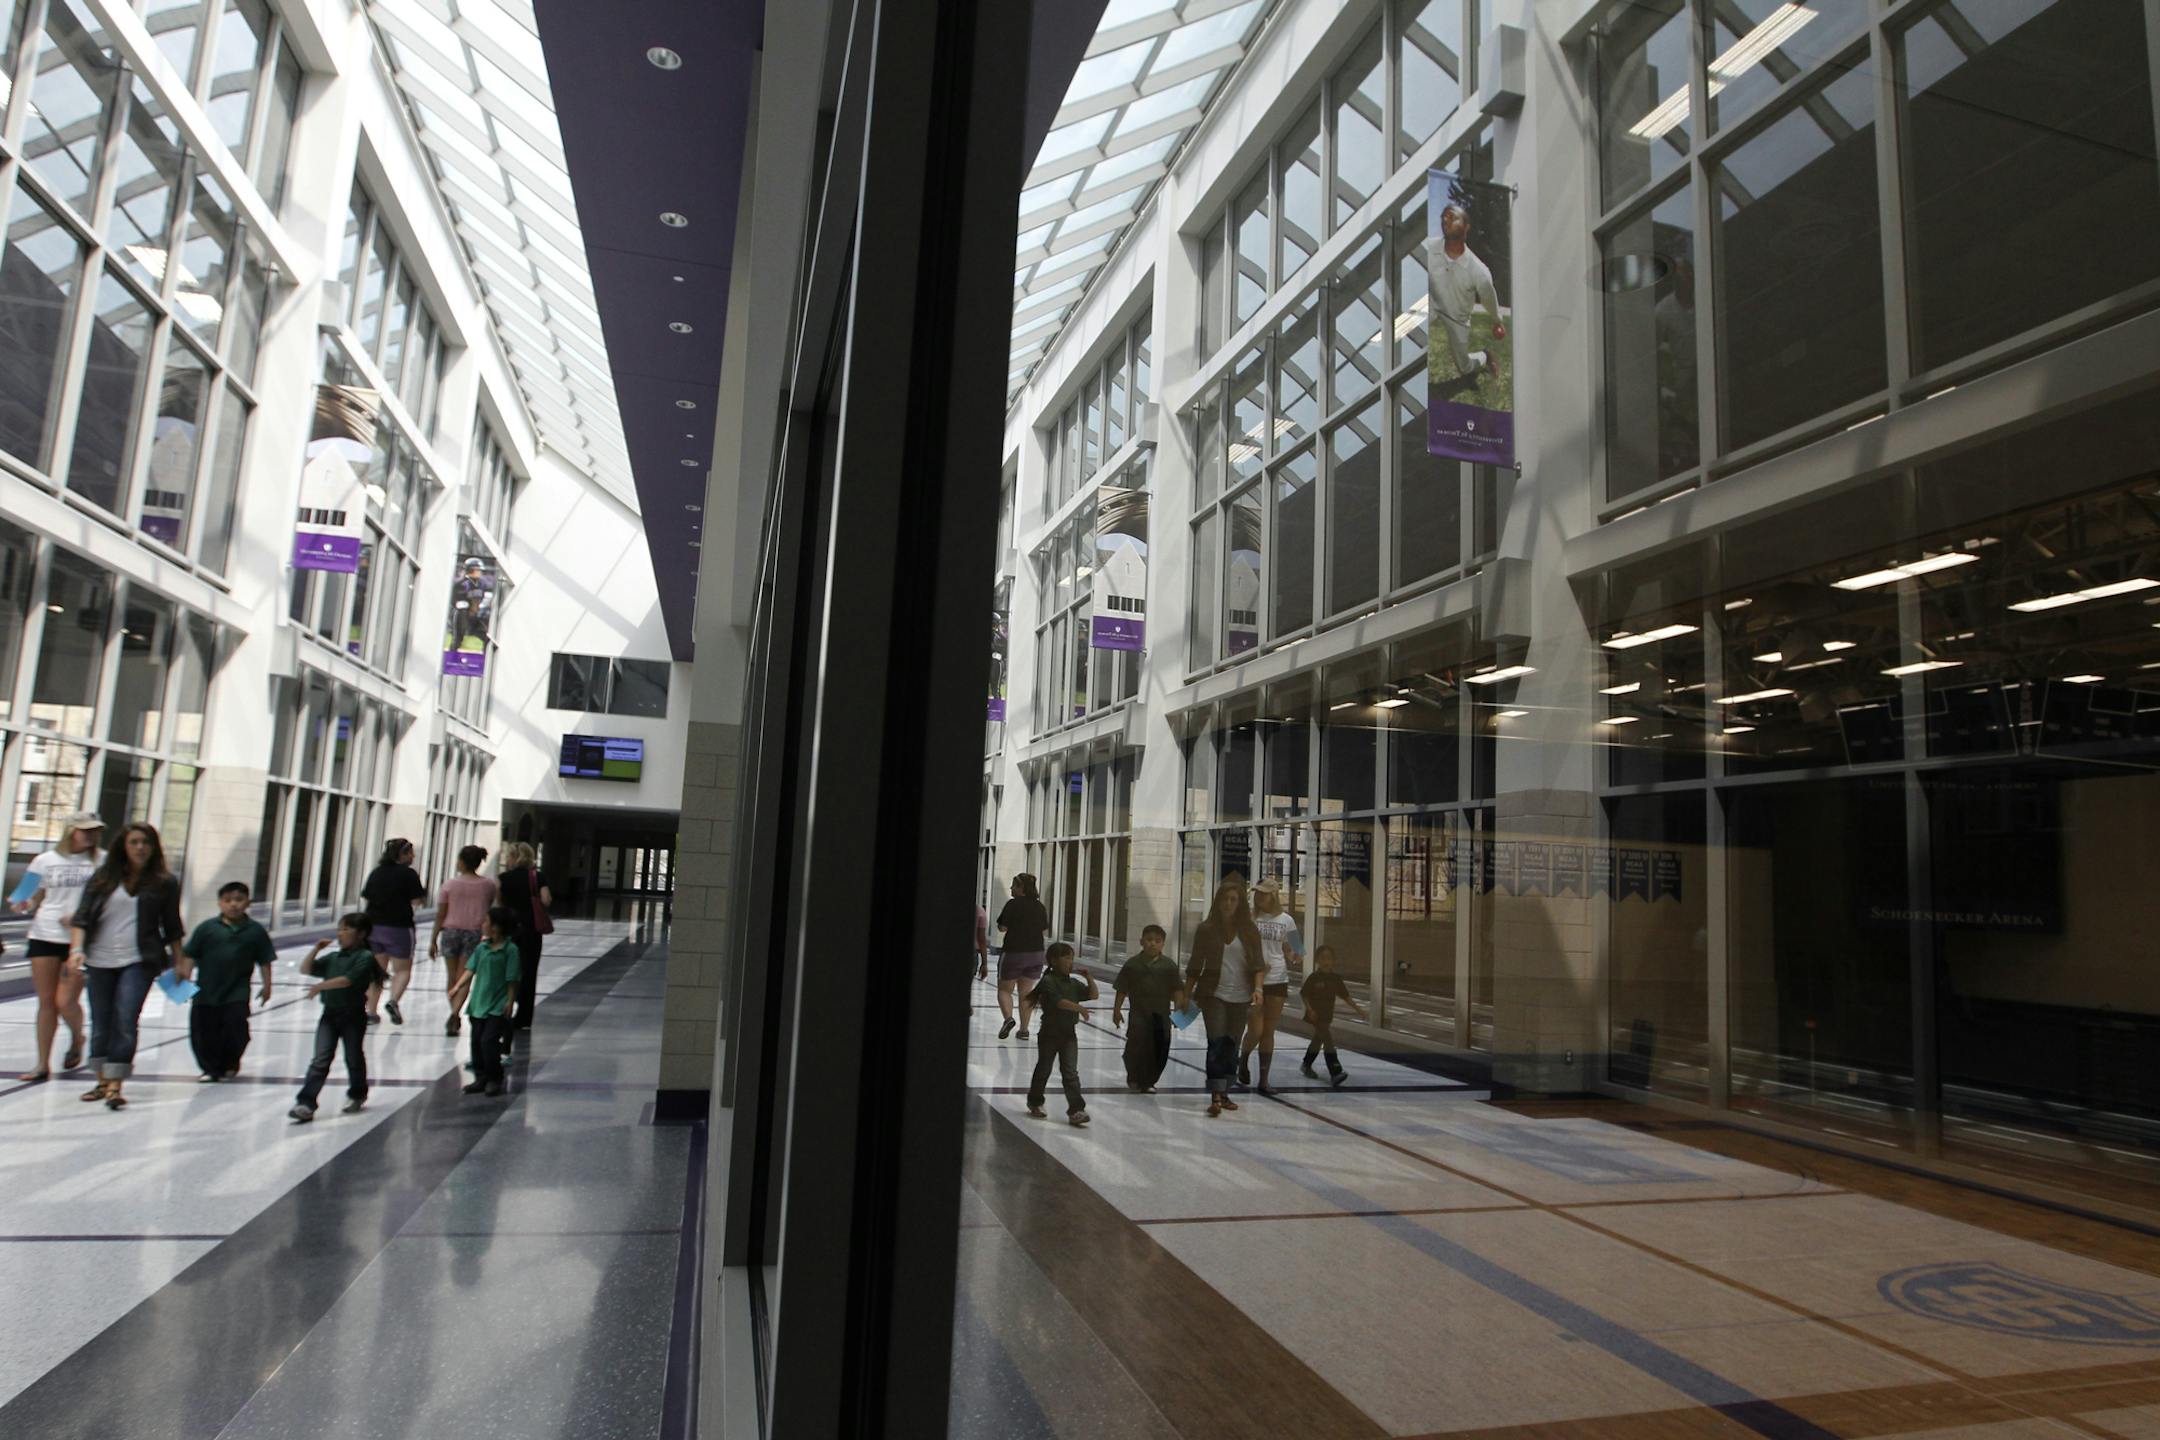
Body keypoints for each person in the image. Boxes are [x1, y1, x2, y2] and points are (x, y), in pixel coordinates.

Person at [66, 822, 188, 1111]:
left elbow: (172, 925)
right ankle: (100, 1080)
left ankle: (115, 1084)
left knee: (126, 1018)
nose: (140, 848)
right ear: (124, 845)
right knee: (101, 1021)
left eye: (145, 843)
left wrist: (181, 961)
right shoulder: (103, 878)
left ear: (153, 848)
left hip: (140, 958)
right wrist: (76, 949)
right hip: (99, 958)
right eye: (134, 842)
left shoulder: (164, 882)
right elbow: (82, 918)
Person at [11, 811, 101, 1082]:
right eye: (84, 830)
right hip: (44, 932)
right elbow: (27, 894)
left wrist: (81, 917)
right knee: (46, 1002)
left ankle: (77, 1038)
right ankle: (42, 1063)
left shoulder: (102, 861)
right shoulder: (45, 860)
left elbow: (106, 900)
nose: (90, 835)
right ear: (71, 831)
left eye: (94, 830)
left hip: (79, 937)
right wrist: (22, 903)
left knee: (65, 1001)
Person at [1184, 879, 1264, 1119]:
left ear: (1240, 904)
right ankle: (1216, 1095)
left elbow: (1258, 964)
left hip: (1241, 996)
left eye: (1233, 900)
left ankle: (1226, 1091)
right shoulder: (1207, 929)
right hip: (1214, 994)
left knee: (1232, 1044)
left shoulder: (1250, 931)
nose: (1229, 904)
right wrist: (1186, 993)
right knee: (1216, 1042)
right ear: (1217, 902)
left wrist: (1258, 988)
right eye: (1225, 899)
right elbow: (1195, 964)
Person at [290, 914, 382, 1122]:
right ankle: (306, 1102)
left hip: (352, 1015)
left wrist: (320, 986)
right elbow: (306, 969)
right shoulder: (334, 958)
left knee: (353, 1056)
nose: (340, 934)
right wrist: (316, 950)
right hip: (329, 1014)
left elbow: (347, 981)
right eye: (340, 929)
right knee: (320, 1059)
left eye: (346, 929)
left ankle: (357, 1093)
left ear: (361, 934)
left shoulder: (365, 957)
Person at [182, 882, 276, 1082]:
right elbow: (190, 955)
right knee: (203, 1031)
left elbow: (265, 960)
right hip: (205, 992)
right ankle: (210, 1068)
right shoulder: (207, 929)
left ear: (248, 902)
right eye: (228, 900)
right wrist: (184, 982)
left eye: (239, 900)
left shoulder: (255, 931)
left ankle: (230, 1063)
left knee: (236, 1028)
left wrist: (267, 986)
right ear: (219, 903)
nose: (233, 905)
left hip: (237, 992)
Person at [1429, 200, 1505, 393]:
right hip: (1431, 305)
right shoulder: (1429, 248)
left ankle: (1485, 356)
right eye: (1444, 217)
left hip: (1457, 318)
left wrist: (1497, 320)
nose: (1446, 220)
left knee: (1464, 367)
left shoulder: (1479, 271)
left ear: (1466, 227)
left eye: (1452, 217)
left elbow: (1488, 298)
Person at [1239, 877, 1305, 1094]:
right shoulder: (1249, 918)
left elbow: (1296, 950)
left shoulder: (1287, 920)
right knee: (1255, 1030)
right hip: (1254, 979)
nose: (1258, 897)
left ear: (1273, 895)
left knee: (1269, 1031)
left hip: (1278, 979)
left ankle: (1264, 1080)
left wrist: (1295, 954)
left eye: (1263, 893)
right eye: (1256, 893)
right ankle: (1244, 1057)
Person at [449, 905, 521, 1098]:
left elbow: (512, 978)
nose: (483, 924)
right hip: (479, 1002)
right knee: (476, 1041)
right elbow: (470, 970)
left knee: (488, 1041)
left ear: (496, 927)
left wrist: (510, 1001)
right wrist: (457, 987)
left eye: (486, 921)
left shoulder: (510, 950)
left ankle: (494, 1077)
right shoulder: (482, 948)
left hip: (498, 1004)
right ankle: (481, 1077)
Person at [1024, 942, 1095, 1127]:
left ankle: (1076, 1110)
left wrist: (1090, 979)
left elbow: (1093, 995)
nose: (1070, 961)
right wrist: (1079, 1007)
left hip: (1069, 1035)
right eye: (1066, 957)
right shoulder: (1048, 981)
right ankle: (1035, 1101)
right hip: (1050, 1033)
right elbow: (1058, 1002)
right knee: (1044, 1069)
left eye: (1072, 957)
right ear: (1054, 961)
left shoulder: (1073, 983)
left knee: (1070, 1072)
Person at [431, 845, 497, 1037]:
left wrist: (434, 938)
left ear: (462, 861)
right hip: (475, 934)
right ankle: (455, 1012)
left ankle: (453, 1012)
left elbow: (440, 914)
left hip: (451, 932)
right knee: (465, 976)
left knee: (451, 977)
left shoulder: (449, 885)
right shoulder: (488, 885)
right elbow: (490, 907)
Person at [359, 838, 426, 1025]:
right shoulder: (409, 874)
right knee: (402, 970)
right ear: (402, 855)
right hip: (399, 927)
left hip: (373, 927)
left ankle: (371, 1012)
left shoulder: (377, 873)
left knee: (377, 972)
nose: (413, 856)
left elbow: (367, 895)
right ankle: (393, 1000)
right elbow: (416, 900)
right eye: (410, 853)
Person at [1111, 924, 1183, 1093]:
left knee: (1160, 1047)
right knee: (1135, 1046)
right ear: (1141, 942)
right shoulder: (1132, 964)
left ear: (1163, 944)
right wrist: (1116, 1010)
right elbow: (1122, 989)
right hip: (1138, 1014)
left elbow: (1178, 990)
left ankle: (1149, 1080)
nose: (1153, 944)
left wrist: (1179, 1013)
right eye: (1149, 940)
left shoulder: (1169, 966)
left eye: (1157, 941)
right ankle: (1134, 1075)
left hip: (1161, 1015)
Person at [496, 842, 552, 1041]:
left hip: (509, 929)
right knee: (528, 972)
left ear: (514, 857)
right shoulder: (538, 877)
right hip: (531, 930)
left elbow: (499, 902)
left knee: (506, 971)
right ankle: (524, 1017)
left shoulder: (504, 878)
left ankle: (502, 1011)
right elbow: (546, 900)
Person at [1299, 944, 1367, 1087]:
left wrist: (1359, 1010)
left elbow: (1346, 996)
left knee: (1317, 1041)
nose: (1326, 961)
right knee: (1328, 1042)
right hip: (1316, 1016)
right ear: (1317, 960)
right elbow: (1304, 994)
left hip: (1327, 1015)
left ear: (1333, 960)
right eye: (1323, 958)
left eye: (1329, 958)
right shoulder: (1314, 977)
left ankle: (1306, 1064)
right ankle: (1335, 1071)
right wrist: (1310, 1009)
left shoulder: (1336, 979)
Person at [993, 873, 1049, 1040]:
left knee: (1004, 990)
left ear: (1021, 888)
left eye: (1013, 885)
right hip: (1036, 954)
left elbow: (1002, 928)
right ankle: (1024, 1030)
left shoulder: (1012, 904)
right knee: (1026, 992)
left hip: (1013, 953)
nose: (1011, 888)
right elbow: (1043, 929)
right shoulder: (1040, 907)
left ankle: (1009, 1019)